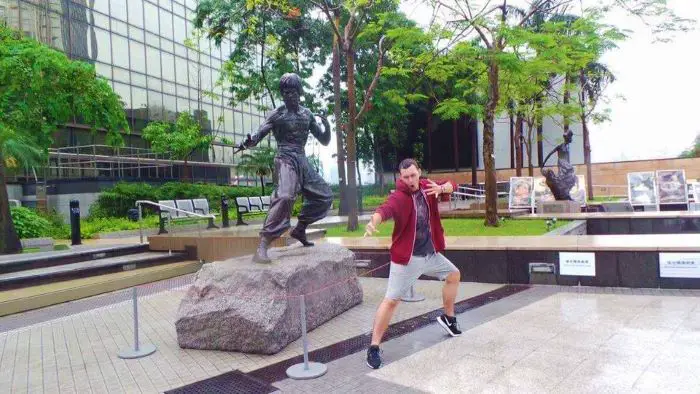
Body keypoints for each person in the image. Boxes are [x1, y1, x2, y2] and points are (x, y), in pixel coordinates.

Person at [363, 158, 462, 369]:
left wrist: (445, 187)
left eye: (413, 175)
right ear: (401, 177)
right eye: (406, 177)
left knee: (454, 275)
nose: (410, 180)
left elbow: (453, 184)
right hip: (407, 260)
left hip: (430, 255)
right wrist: (374, 221)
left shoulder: (428, 187)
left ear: (419, 172)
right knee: (391, 301)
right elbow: (385, 209)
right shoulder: (399, 197)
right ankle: (373, 347)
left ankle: (449, 318)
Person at [238, 73, 333, 263]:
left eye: (294, 92)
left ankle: (300, 229)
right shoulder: (277, 114)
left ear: (299, 93)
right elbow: (259, 134)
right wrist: (249, 142)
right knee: (285, 196)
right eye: (286, 92)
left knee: (325, 196)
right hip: (284, 159)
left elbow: (324, 140)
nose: (290, 96)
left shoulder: (307, 115)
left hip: (302, 159)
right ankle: (263, 245)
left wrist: (327, 127)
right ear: (282, 94)